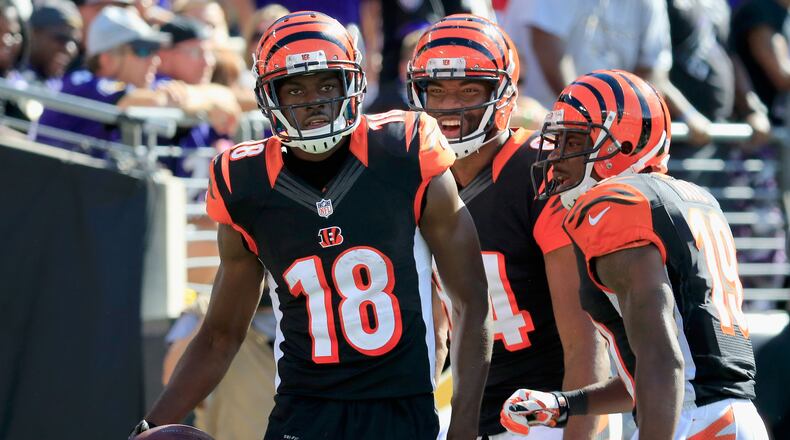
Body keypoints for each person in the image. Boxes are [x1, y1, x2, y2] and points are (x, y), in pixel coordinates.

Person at [131, 11, 492, 440]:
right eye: (295, 88)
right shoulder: (244, 184)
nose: (312, 101)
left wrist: (464, 428)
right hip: (304, 412)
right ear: (270, 96)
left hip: (400, 409)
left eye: (326, 84)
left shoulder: (406, 153)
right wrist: (149, 426)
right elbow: (220, 334)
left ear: (351, 84)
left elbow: (471, 302)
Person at [499, 69, 768, 439]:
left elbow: (664, 361)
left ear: (622, 144)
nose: (557, 157)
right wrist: (566, 405)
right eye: (557, 141)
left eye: (574, 140)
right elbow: (662, 370)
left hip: (695, 424)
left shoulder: (615, 203)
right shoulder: (687, 197)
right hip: (729, 418)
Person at [407, 14, 611, 439]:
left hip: (553, 411)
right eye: (437, 91)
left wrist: (580, 428)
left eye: (468, 89)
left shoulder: (540, 172)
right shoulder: (420, 178)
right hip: (475, 413)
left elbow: (587, 337)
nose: (449, 107)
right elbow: (436, 331)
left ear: (502, 94)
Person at [35, 6, 239, 153]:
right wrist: (202, 100)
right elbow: (150, 101)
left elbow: (224, 95)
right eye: (143, 50)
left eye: (155, 49)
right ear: (107, 60)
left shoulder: (145, 84)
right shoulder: (81, 84)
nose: (155, 59)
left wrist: (194, 96)